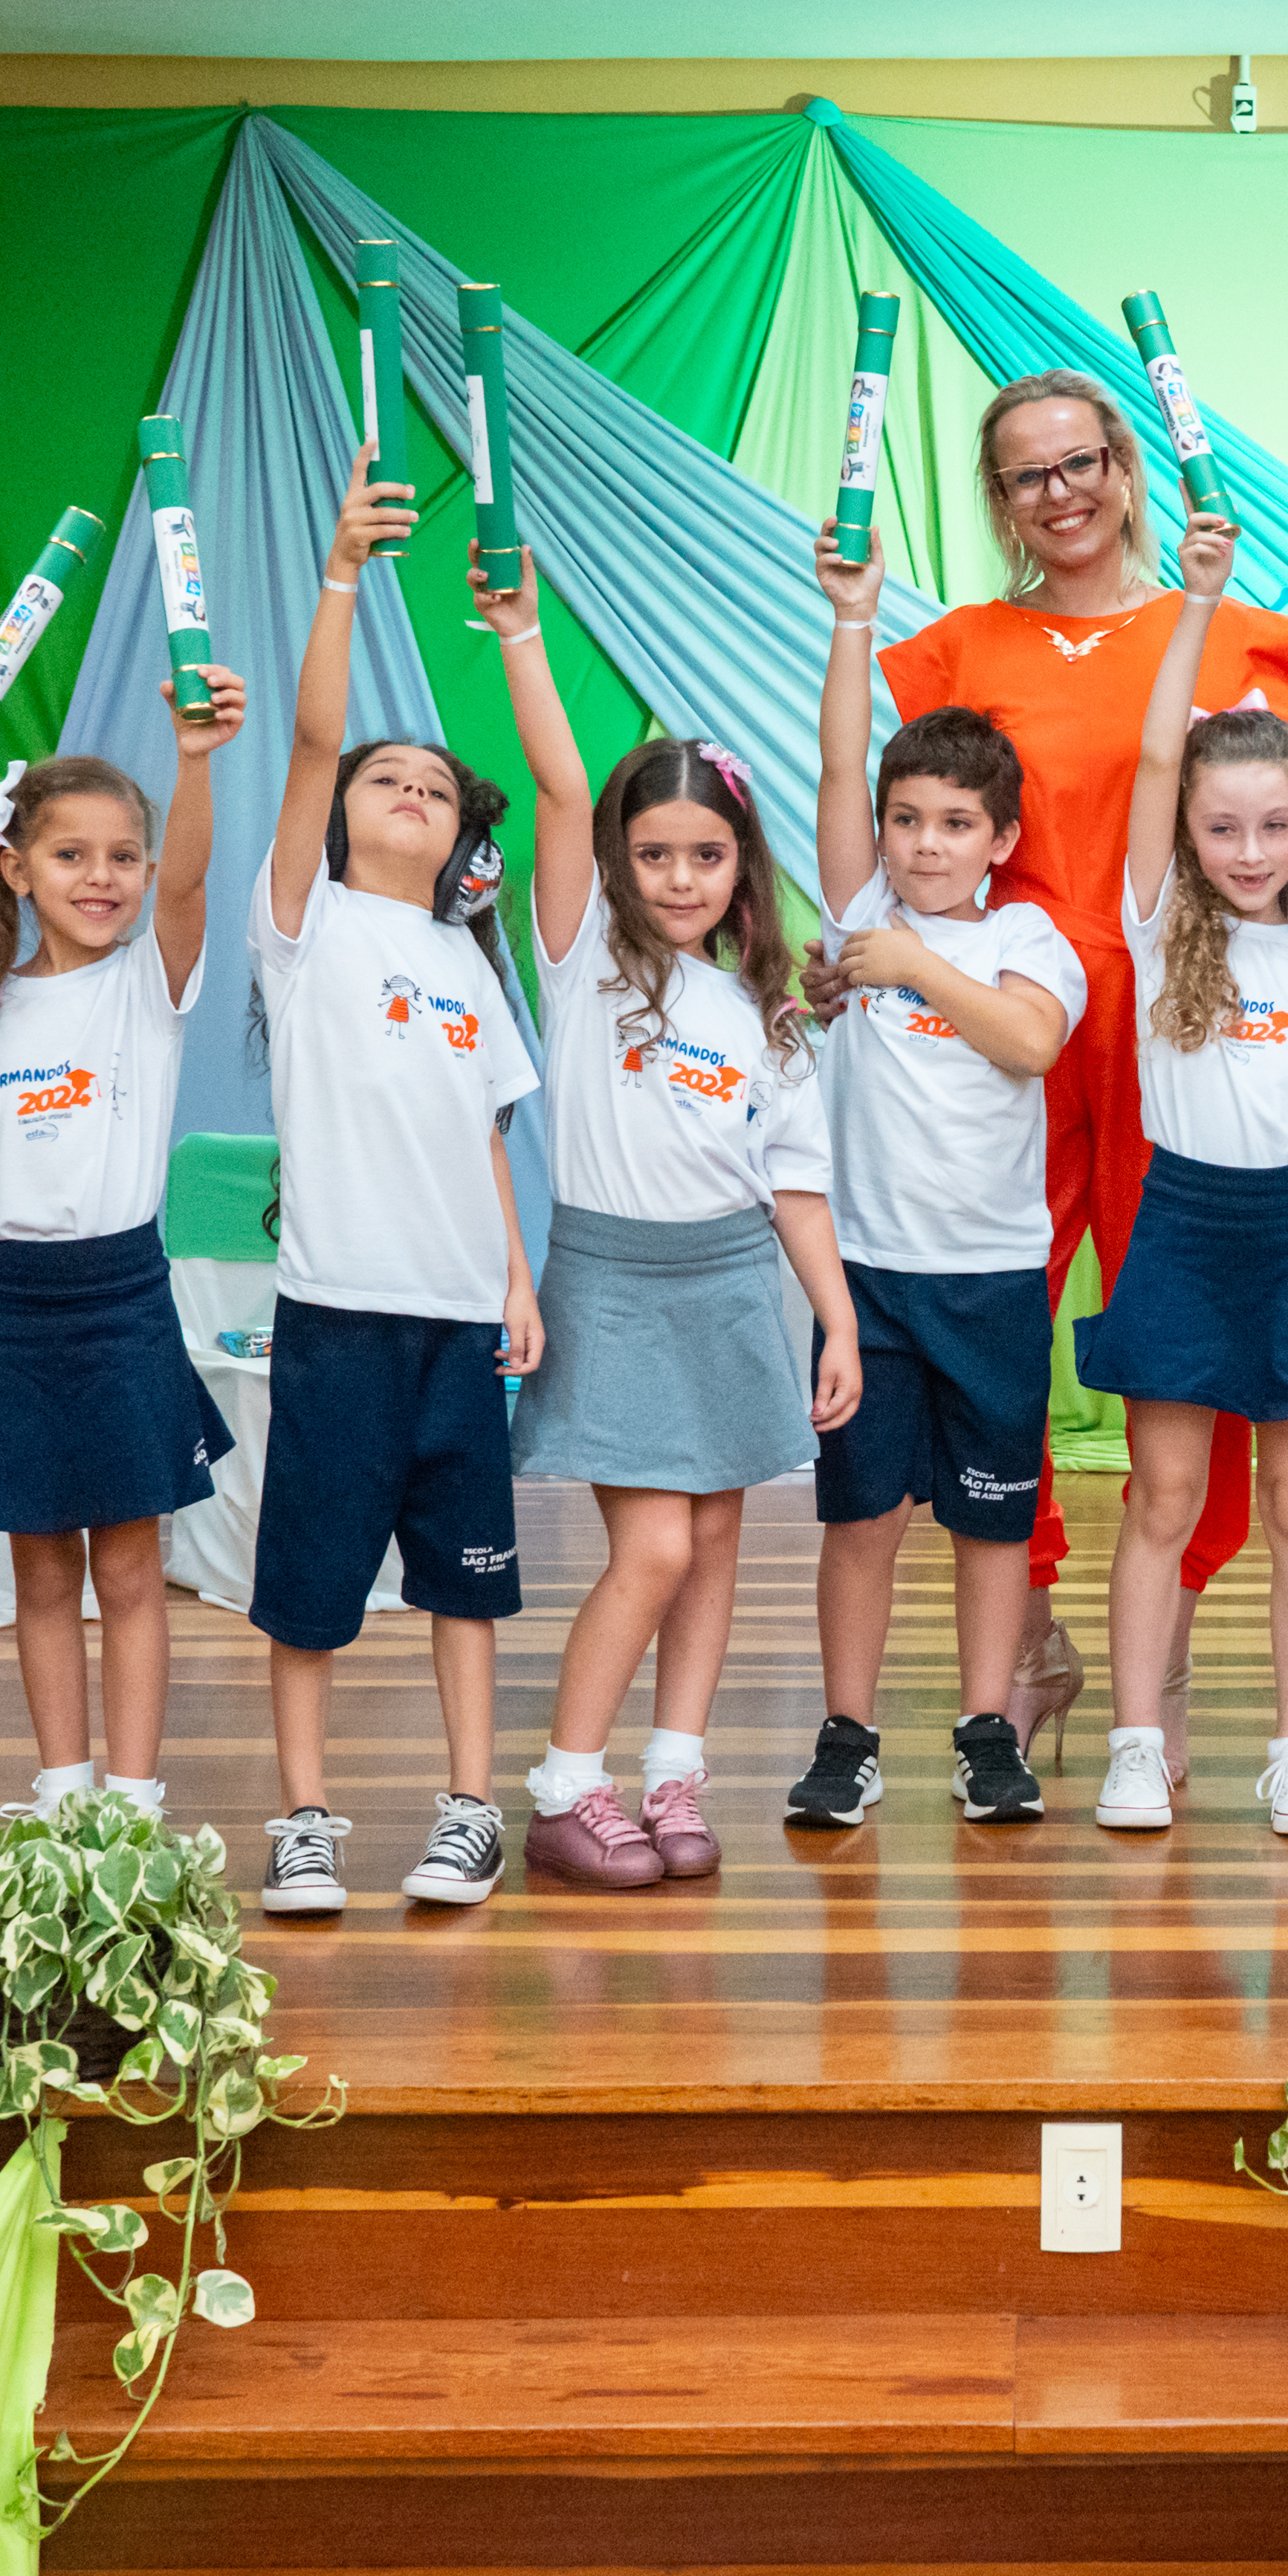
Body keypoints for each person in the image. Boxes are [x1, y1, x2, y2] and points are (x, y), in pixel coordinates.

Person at [864, 369, 1288, 1783]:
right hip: (1000, 1036)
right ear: (999, 501)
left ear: (1124, 469)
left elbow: (1281, 836)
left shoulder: (1243, 634)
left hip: (1183, 1030)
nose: (1057, 494)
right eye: (1024, 476)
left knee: (1193, 1345)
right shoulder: (954, 650)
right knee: (985, 1319)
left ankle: (1167, 1654)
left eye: (1078, 464)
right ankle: (1046, 1616)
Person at [496, 561, 858, 1892]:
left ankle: (672, 1770)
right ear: (612, 863)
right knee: (649, 1543)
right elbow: (550, 780)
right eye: (651, 854)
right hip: (611, 1281)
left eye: (705, 855)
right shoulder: (583, 954)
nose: (679, 876)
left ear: (739, 865)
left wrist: (836, 1317)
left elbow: (796, 1187)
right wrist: (527, 635)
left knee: (712, 1542)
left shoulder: (765, 1011)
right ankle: (564, 1787)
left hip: (729, 1289)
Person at [244, 459, 543, 1917]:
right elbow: (308, 743)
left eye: (434, 786)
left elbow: (486, 1135)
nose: (410, 792)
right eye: (386, 779)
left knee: (466, 1585)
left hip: (454, 1320)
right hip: (337, 1317)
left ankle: (471, 1807)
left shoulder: (468, 967)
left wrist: (514, 1279)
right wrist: (344, 573)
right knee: (309, 1584)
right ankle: (303, 1818)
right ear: (346, 815)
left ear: (459, 835)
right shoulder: (308, 930)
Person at [1069, 511, 1288, 1837]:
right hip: (1184, 1228)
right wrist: (1198, 602)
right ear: (1189, 833)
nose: (1246, 851)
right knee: (1165, 1495)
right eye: (1222, 828)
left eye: (1270, 828)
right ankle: (1137, 1740)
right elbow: (1151, 751)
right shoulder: (1157, 921)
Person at [793, 520, 1087, 1828]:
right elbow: (837, 752)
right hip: (868, 1279)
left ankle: (984, 1727)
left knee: (990, 1520)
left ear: (997, 836)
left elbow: (1028, 1042)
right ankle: (848, 1731)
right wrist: (854, 617)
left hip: (986, 1280)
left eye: (951, 823)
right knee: (861, 1519)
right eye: (903, 821)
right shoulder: (857, 916)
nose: (920, 843)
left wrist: (915, 967)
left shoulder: (1026, 935)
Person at [0, 673, 252, 1832]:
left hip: (119, 1300)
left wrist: (195, 758)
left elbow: (196, 879)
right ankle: (61, 1795)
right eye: (70, 855)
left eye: (123, 855)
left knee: (129, 1567)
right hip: (6, 1315)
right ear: (13, 868)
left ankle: (131, 1799)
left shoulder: (146, 988)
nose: (101, 877)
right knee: (41, 1572)